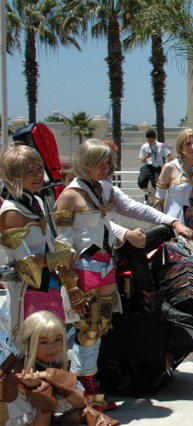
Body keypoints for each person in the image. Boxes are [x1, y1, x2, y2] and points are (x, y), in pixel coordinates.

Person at [53, 139, 125, 411]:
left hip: (104, 266)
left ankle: (91, 396)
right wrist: (71, 287)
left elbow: (108, 227)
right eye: (98, 162)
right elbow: (61, 245)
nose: (104, 167)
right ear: (85, 162)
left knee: (98, 331)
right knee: (87, 332)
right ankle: (85, 398)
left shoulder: (100, 189)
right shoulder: (70, 195)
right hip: (84, 269)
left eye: (107, 162)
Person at [3, 311, 119, 425]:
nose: (53, 348)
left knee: (89, 415)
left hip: (53, 420)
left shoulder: (54, 363)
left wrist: (53, 377)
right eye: (44, 342)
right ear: (29, 343)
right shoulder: (16, 377)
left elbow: (82, 403)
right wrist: (42, 393)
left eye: (57, 339)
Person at [0, 146, 68, 342]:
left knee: (55, 346)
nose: (39, 175)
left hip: (48, 286)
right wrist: (58, 258)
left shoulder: (35, 201)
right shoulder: (12, 212)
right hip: (28, 292)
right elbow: (25, 265)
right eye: (30, 171)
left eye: (40, 168)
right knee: (35, 349)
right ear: (14, 175)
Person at [155, 129, 193, 252]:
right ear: (180, 146)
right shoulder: (170, 167)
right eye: (188, 143)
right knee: (177, 257)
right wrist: (160, 226)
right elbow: (159, 199)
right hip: (176, 222)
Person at [138, 130, 171, 201]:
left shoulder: (162, 145)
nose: (150, 142)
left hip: (157, 166)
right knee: (141, 182)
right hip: (147, 165)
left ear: (155, 138)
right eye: (148, 140)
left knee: (156, 183)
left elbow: (169, 156)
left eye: (151, 140)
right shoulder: (144, 147)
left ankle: (158, 200)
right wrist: (147, 157)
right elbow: (142, 161)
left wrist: (166, 166)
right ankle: (147, 193)